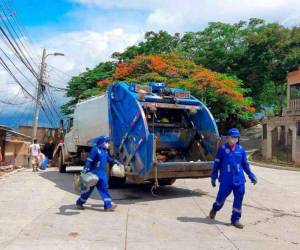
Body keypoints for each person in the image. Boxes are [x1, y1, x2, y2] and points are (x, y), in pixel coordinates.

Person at [209, 128, 257, 229]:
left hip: (239, 180)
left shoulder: (241, 150)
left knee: (238, 199)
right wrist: (214, 176)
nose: (234, 140)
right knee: (220, 200)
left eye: (236, 138)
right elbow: (217, 164)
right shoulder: (222, 149)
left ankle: (235, 219)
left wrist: (251, 175)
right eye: (232, 137)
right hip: (226, 180)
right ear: (227, 138)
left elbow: (245, 164)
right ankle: (215, 209)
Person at [76, 136, 118, 211]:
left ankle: (108, 205)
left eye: (108, 142)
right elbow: (89, 161)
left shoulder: (105, 151)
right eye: (107, 142)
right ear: (102, 143)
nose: (108, 144)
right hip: (93, 174)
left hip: (102, 174)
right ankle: (79, 202)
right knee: (87, 191)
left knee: (104, 189)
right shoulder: (95, 150)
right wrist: (85, 170)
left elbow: (109, 159)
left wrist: (115, 162)